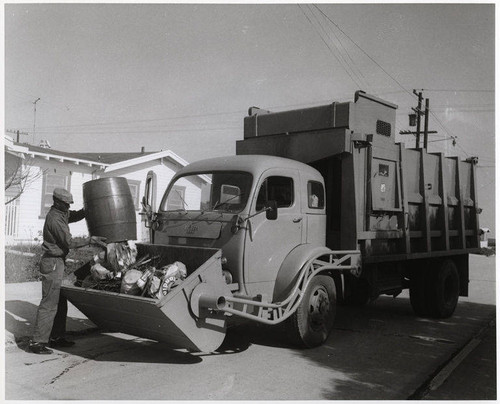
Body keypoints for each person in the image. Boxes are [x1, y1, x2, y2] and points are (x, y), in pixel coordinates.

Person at [28, 188, 106, 354]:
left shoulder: (61, 213)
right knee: (49, 304)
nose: (68, 208)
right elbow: (68, 241)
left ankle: (56, 337)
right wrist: (90, 240)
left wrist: (86, 211)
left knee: (61, 302)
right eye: (66, 204)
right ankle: (37, 342)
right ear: (57, 202)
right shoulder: (55, 219)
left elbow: (73, 216)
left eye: (69, 204)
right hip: (52, 263)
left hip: (58, 263)